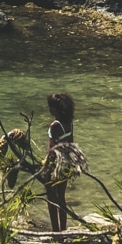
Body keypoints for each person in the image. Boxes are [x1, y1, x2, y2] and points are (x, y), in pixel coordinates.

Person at [40, 93, 79, 231]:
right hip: (65, 163)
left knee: (51, 197)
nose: (49, 110)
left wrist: (45, 168)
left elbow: (52, 149)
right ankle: (63, 228)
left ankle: (55, 231)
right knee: (61, 197)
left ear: (55, 109)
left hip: (54, 165)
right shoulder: (68, 123)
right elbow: (71, 144)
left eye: (50, 107)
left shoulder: (55, 125)